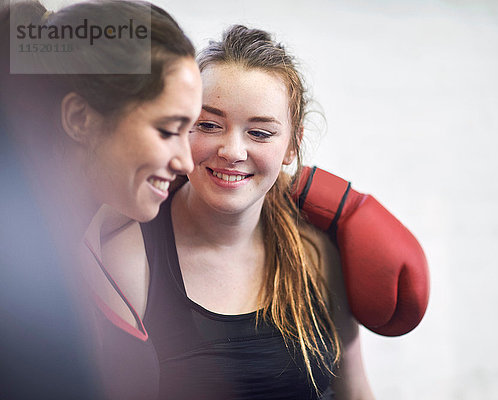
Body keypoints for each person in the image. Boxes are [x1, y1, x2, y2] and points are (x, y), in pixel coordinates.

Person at [140, 25, 375, 399]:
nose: (232, 151)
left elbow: (355, 389)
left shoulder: (316, 252)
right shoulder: (134, 246)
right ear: (182, 126)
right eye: (209, 125)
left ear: (291, 148)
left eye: (260, 133)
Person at [0, 1, 203, 398]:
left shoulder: (87, 225)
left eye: (191, 130)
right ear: (79, 118)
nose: (187, 162)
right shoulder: (18, 269)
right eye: (167, 130)